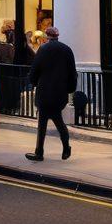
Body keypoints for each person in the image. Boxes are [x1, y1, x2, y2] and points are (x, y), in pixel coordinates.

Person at [25, 26, 77, 162]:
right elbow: (73, 72)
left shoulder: (43, 49)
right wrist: (70, 88)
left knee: (42, 124)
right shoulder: (67, 49)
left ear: (47, 36)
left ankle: (39, 152)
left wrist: (33, 81)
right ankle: (66, 148)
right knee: (58, 120)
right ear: (57, 36)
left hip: (45, 91)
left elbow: (35, 69)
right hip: (60, 92)